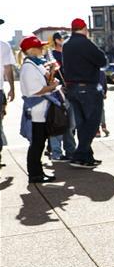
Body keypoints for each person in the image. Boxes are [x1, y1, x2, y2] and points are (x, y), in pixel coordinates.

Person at [62, 17, 108, 168]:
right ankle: (79, 155)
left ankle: (86, 157)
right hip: (87, 88)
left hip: (72, 88)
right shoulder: (85, 43)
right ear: (85, 28)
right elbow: (102, 61)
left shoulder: (66, 44)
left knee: (82, 124)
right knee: (93, 123)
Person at [18, 35, 62, 183]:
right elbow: (36, 90)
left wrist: (51, 75)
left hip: (40, 109)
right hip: (37, 109)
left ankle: (37, 173)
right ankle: (35, 174)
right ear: (32, 50)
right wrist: (53, 86)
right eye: (40, 47)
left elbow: (42, 84)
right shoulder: (29, 67)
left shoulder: (34, 64)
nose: (43, 49)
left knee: (39, 142)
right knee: (37, 143)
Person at [0, 19, 15, 168]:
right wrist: (11, 87)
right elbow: (8, 68)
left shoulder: (3, 46)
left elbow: (8, 68)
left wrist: (11, 87)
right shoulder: (3, 46)